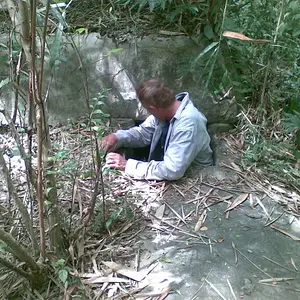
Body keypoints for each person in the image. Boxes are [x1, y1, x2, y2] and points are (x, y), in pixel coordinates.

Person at [101, 78, 213, 181]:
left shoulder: (188, 124)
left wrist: (128, 165)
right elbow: (143, 133)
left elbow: (173, 170)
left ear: (153, 109)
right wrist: (118, 137)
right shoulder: (166, 111)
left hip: (196, 180)